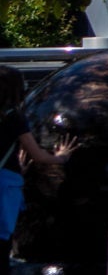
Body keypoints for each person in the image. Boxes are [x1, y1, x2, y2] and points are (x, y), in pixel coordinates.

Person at [0, 68, 61, 253]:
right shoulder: (13, 118)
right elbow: (38, 155)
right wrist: (62, 157)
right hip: (5, 187)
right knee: (4, 240)